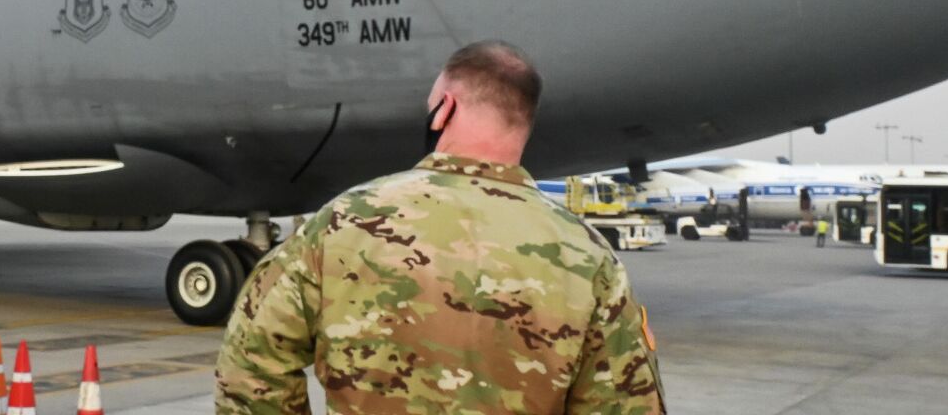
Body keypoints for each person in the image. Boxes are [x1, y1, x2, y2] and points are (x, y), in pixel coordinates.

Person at [216, 41, 665, 414]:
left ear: (443, 109)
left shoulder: (342, 222)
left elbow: (251, 363)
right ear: (523, 126)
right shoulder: (588, 258)